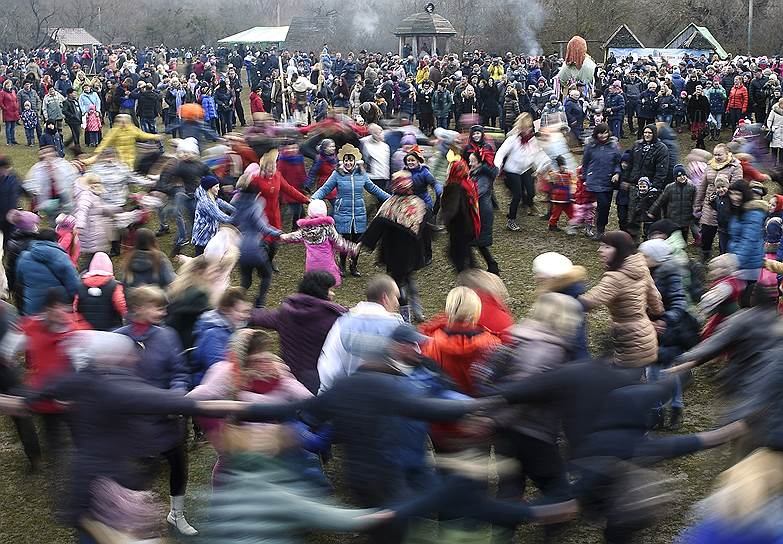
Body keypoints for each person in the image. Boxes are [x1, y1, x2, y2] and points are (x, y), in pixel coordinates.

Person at [475, 292, 582, 543]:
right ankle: (549, 535)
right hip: (531, 431)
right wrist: (500, 420)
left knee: (510, 485)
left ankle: (501, 537)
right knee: (558, 491)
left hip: (507, 430)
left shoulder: (521, 336)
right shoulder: (549, 350)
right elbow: (524, 392)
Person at [114, 286, 196, 536]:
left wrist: (176, 396)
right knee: (138, 476)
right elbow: (111, 380)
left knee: (179, 466)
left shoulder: (168, 335)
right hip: (135, 424)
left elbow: (180, 372)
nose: (164, 311)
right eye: (158, 306)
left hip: (167, 418)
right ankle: (137, 521)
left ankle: (176, 514)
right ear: (138, 309)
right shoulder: (116, 339)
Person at [250, 270, 347, 394]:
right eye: (330, 289)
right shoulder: (333, 318)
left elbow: (263, 317)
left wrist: (246, 312)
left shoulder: (286, 312)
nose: (332, 294)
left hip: (288, 374)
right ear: (321, 291)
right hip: (317, 376)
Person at [579, 230, 664, 369]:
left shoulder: (616, 278)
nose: (600, 250)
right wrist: (657, 314)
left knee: (627, 380)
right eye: (601, 245)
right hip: (645, 333)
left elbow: (590, 301)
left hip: (631, 339)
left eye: (607, 247)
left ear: (620, 251)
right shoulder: (641, 268)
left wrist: (564, 300)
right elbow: (654, 297)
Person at [312, 143, 389, 277]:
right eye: (346, 160)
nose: (348, 163)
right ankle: (342, 265)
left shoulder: (362, 175)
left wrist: (390, 198)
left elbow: (374, 189)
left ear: (355, 161)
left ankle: (354, 265)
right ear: (343, 161)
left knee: (356, 241)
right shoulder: (337, 174)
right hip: (343, 212)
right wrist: (314, 198)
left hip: (359, 213)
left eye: (351, 160)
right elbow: (325, 188)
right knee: (344, 241)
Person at [317, 274, 403, 394]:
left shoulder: (342, 322)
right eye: (396, 297)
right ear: (385, 298)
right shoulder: (396, 326)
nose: (398, 303)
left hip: (345, 396)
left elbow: (328, 369)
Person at [420, 286, 501, 397]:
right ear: (476, 310)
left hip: (449, 404)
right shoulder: (492, 343)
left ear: (449, 310)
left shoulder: (431, 344)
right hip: (483, 404)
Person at [231, 174, 282, 308]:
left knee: (246, 281)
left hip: (240, 247)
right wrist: (278, 233)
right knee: (266, 275)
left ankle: (234, 302)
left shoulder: (237, 205)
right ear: (257, 194)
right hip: (254, 248)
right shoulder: (256, 206)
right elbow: (263, 227)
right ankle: (259, 302)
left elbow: (232, 221)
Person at [280, 199, 358, 286]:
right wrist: (352, 248)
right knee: (327, 289)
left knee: (314, 288)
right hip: (327, 265)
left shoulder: (305, 229)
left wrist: (283, 236)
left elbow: (294, 236)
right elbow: (338, 243)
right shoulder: (327, 228)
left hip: (311, 265)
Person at [494, 113, 551, 231]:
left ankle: (527, 205)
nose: (526, 130)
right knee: (517, 195)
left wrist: (543, 165)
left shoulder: (532, 141)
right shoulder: (513, 140)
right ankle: (511, 220)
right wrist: (497, 166)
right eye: (523, 128)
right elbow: (501, 152)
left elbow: (538, 154)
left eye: (528, 128)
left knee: (531, 192)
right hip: (512, 170)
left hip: (525, 169)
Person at [191, 287, 252, 387]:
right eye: (239, 311)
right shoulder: (213, 334)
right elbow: (219, 371)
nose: (244, 316)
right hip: (207, 388)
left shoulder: (234, 330)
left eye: (247, 311)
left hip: (229, 385)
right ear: (226, 310)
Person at [15, 228, 81, 316]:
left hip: (32, 308)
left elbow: (20, 282)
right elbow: (73, 284)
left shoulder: (23, 257)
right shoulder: (61, 256)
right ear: (55, 240)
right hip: (58, 309)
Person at [695, 144, 744, 261]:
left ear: (727, 154)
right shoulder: (710, 165)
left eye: (719, 155)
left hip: (726, 205)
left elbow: (736, 187)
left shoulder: (735, 166)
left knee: (725, 233)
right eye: (715, 154)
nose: (716, 157)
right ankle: (705, 253)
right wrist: (698, 203)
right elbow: (702, 185)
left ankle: (725, 256)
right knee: (707, 231)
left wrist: (721, 195)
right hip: (709, 203)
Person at [727, 180, 768, 307]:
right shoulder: (739, 210)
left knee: (747, 301)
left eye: (738, 194)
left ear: (745, 194)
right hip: (739, 261)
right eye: (732, 193)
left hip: (749, 265)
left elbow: (748, 242)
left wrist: (735, 262)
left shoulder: (753, 214)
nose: (734, 197)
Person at [581, 123, 621, 239]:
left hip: (608, 180)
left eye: (605, 133)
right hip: (594, 179)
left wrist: (617, 173)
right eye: (600, 133)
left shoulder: (614, 146)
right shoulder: (591, 146)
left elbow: (618, 162)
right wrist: (584, 177)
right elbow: (585, 163)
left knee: (605, 206)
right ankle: (596, 228)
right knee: (601, 203)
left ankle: (600, 227)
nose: (603, 136)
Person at [74, 252, 127, 331]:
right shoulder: (114, 286)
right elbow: (121, 306)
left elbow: (75, 308)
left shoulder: (80, 286)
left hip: (86, 331)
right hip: (111, 330)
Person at [647, 163, 696, 241]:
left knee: (683, 239)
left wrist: (695, 213)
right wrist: (652, 211)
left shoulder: (692, 188)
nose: (682, 177)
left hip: (686, 219)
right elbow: (660, 200)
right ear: (675, 177)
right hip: (673, 218)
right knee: (673, 238)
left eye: (684, 175)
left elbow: (695, 202)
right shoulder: (670, 188)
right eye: (679, 176)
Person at [192, 174, 235, 256]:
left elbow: (222, 203)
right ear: (210, 188)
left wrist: (237, 211)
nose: (219, 189)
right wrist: (239, 218)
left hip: (210, 235)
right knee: (201, 261)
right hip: (203, 237)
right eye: (216, 187)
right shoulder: (205, 202)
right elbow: (220, 217)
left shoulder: (211, 196)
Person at [628, 123, 670, 192]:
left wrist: (655, 186)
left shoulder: (662, 149)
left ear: (654, 134)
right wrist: (627, 179)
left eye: (650, 133)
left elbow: (661, 171)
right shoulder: (637, 145)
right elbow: (629, 163)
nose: (647, 135)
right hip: (634, 183)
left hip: (649, 185)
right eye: (645, 132)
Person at [547, 155, 574, 232]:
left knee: (571, 211)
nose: (563, 168)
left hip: (566, 197)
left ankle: (575, 223)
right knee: (556, 213)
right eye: (561, 166)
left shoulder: (567, 174)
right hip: (559, 198)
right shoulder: (555, 175)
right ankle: (552, 225)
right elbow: (553, 181)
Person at [0, 80, 20, 145]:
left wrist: (17, 106)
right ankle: (9, 141)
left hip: (14, 112)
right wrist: (5, 108)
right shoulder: (2, 92)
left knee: (13, 127)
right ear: (5, 85)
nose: (9, 85)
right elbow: (1, 102)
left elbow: (16, 100)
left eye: (10, 84)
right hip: (7, 112)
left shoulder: (13, 91)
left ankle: (13, 139)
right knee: (8, 127)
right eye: (7, 84)